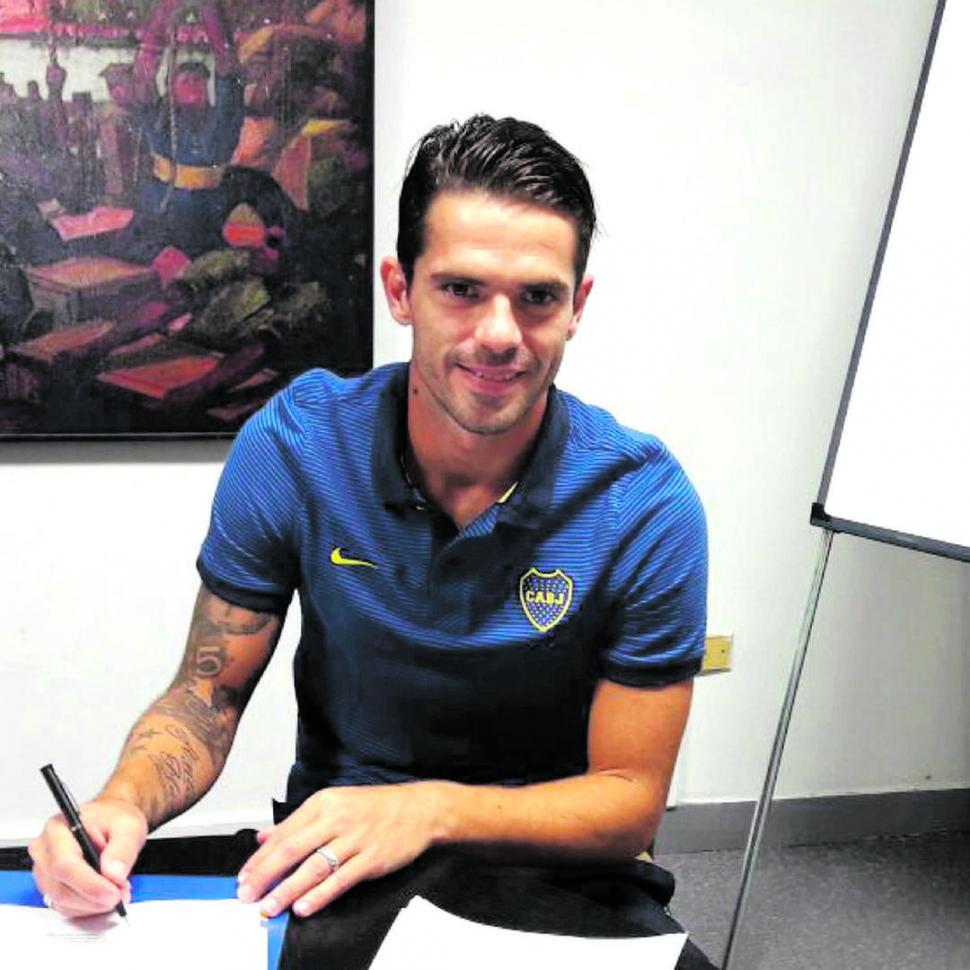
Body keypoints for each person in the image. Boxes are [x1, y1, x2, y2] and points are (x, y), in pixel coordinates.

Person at [29, 115, 708, 956]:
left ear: (577, 307)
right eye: (461, 289)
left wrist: (428, 809)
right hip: (339, 859)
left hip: (555, 870)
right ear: (400, 290)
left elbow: (629, 799)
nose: (500, 334)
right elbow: (206, 697)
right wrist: (122, 803)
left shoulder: (643, 502)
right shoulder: (298, 446)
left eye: (537, 297)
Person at [109, 0, 245, 262]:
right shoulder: (160, 119)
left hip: (204, 217)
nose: (193, 84)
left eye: (199, 80)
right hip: (157, 215)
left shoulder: (222, 121)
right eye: (185, 80)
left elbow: (228, 66)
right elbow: (143, 76)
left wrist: (210, 10)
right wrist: (163, 12)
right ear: (171, 88)